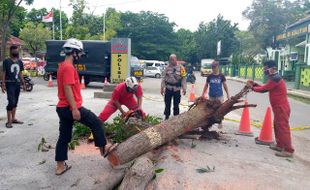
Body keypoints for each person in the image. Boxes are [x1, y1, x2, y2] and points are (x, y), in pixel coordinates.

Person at [55, 38, 113, 175]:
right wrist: (75, 108)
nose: (80, 56)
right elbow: (67, 88)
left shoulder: (62, 66)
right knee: (96, 123)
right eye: (79, 53)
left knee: (64, 137)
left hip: (62, 108)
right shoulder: (68, 67)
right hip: (70, 107)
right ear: (73, 52)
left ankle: (60, 166)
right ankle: (104, 151)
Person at [247, 60, 294, 158]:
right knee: (277, 126)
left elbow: (264, 89)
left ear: (272, 69)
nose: (264, 71)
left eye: (266, 69)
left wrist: (252, 88)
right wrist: (255, 85)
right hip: (278, 108)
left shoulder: (276, 78)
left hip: (281, 108)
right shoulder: (274, 78)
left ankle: (289, 150)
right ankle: (280, 145)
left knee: (283, 128)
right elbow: (266, 87)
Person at [1, 45, 26, 128]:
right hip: (9, 84)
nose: (16, 52)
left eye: (17, 51)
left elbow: (20, 73)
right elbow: (3, 73)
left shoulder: (19, 61)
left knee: (15, 102)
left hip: (17, 84)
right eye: (14, 51)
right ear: (11, 51)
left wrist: (23, 82)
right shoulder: (6, 61)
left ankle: (13, 118)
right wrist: (3, 84)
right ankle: (9, 121)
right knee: (11, 102)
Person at [200, 61, 230, 128]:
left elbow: (225, 85)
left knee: (220, 109)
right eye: (212, 67)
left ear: (218, 67)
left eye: (215, 67)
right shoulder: (210, 76)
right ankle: (210, 123)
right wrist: (203, 94)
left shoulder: (221, 76)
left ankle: (220, 122)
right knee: (211, 110)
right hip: (211, 96)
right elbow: (206, 85)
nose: (213, 69)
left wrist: (228, 94)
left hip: (219, 95)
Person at [161, 54, 186, 120]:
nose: (172, 61)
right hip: (168, 88)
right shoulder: (167, 68)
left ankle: (176, 117)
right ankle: (166, 116)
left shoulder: (181, 68)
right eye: (170, 60)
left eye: (173, 59)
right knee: (167, 104)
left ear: (176, 59)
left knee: (176, 104)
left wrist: (184, 88)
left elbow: (183, 78)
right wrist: (162, 88)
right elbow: (163, 78)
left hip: (177, 89)